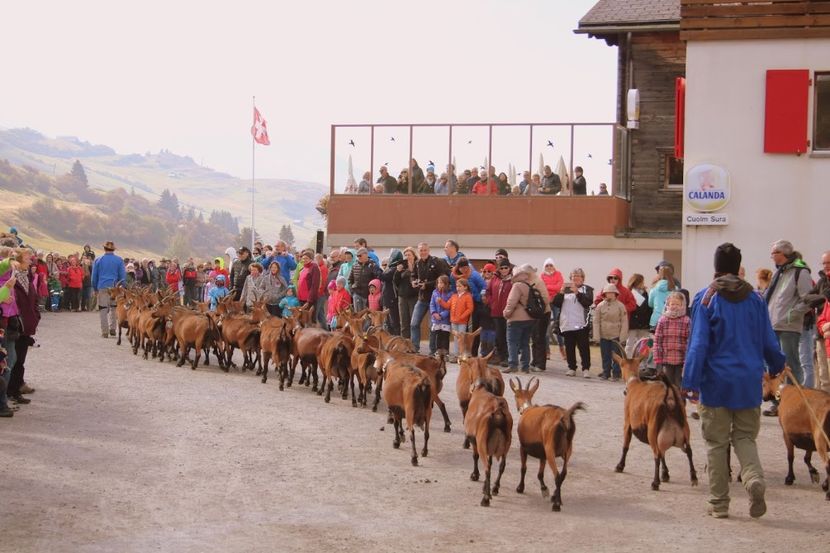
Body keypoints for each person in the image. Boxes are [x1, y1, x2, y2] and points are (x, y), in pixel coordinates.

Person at [682, 242, 785, 519]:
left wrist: (689, 381)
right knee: (744, 437)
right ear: (738, 266)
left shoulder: (706, 298)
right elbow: (769, 340)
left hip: (715, 384)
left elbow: (698, 344)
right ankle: (753, 479)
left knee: (716, 443)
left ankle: (719, 503)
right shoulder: (756, 299)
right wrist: (778, 365)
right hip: (748, 383)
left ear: (716, 267)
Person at [764, 240, 812, 416]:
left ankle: (795, 403)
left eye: (773, 253)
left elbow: (807, 299)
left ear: (782, 254)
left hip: (789, 326)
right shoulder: (781, 272)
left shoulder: (800, 271)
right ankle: (779, 403)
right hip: (774, 325)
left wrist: (792, 315)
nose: (772, 257)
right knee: (775, 366)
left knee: (791, 364)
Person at [409, 243, 450, 354]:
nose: (423, 252)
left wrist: (426, 285)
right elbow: (413, 275)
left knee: (432, 327)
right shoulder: (417, 263)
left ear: (429, 250)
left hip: (435, 299)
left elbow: (442, 278)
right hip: (421, 298)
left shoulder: (436, 262)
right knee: (414, 324)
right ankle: (414, 348)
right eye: (421, 250)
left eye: (425, 250)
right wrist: (413, 281)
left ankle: (432, 351)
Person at [553, 268, 594, 378]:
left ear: (582, 278)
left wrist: (577, 292)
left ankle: (586, 368)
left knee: (584, 347)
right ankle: (571, 368)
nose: (575, 278)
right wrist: (561, 292)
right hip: (567, 323)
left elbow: (587, 302)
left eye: (578, 276)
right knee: (569, 347)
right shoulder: (565, 290)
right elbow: (556, 303)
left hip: (581, 323)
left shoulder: (587, 289)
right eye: (573, 276)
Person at [503, 264, 539, 374]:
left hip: (516, 319)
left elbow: (511, 302)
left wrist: (506, 313)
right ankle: (525, 367)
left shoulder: (517, 286)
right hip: (529, 318)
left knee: (512, 342)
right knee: (525, 343)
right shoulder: (529, 285)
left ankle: (513, 364)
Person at [653, 291, 689, 388]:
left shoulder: (686, 320)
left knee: (679, 383)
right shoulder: (663, 320)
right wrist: (657, 357)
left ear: (683, 305)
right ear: (667, 305)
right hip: (666, 358)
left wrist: (688, 358)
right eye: (672, 304)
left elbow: (689, 340)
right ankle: (669, 401)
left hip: (681, 359)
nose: (674, 306)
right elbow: (657, 340)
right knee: (668, 383)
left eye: (678, 304)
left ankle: (679, 400)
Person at [593, 283, 628, 381]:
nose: (609, 295)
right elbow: (596, 321)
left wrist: (623, 337)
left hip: (615, 335)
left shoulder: (620, 306)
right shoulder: (600, 306)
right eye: (607, 293)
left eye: (612, 293)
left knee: (616, 356)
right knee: (605, 355)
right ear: (604, 294)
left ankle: (616, 374)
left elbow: (624, 322)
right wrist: (596, 336)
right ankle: (606, 372)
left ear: (616, 294)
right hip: (604, 334)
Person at [91, 241, 126, 338]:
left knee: (103, 309)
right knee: (114, 309)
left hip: (102, 286)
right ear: (113, 249)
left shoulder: (98, 260)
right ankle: (113, 328)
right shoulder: (119, 260)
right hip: (115, 287)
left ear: (104, 249)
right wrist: (122, 286)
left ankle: (105, 331)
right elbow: (123, 276)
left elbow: (94, 276)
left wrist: (95, 288)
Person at [439, 277, 473, 362]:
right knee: (455, 338)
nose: (458, 288)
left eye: (460, 286)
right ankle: (456, 355)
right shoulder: (454, 296)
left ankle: (461, 355)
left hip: (462, 322)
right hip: (453, 321)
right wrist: (441, 302)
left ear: (465, 287)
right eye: (457, 286)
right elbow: (448, 305)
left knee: (461, 338)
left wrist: (462, 316)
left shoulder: (468, 296)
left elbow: (470, 309)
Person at [487, 258, 513, 367]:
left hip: (508, 313)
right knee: (499, 336)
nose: (503, 270)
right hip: (496, 312)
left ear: (509, 268)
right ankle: (502, 357)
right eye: (501, 268)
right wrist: (491, 302)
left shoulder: (513, 280)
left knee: (508, 336)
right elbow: (488, 291)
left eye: (505, 268)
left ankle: (509, 357)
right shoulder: (495, 278)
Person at [541, 259, 566, 361]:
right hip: (546, 302)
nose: (549, 267)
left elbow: (560, 286)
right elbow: (542, 287)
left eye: (551, 265)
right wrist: (553, 288)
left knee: (559, 325)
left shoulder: (558, 274)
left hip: (556, 302)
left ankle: (562, 349)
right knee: (546, 327)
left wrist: (549, 287)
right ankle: (547, 351)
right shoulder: (542, 276)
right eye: (547, 265)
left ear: (554, 266)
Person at [394, 247, 418, 340]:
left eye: (409, 255)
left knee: (413, 321)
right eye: (406, 255)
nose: (407, 257)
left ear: (414, 255)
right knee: (404, 321)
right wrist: (398, 272)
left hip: (414, 296)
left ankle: (413, 343)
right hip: (402, 296)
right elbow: (395, 281)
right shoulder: (402, 265)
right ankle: (404, 342)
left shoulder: (418, 264)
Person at [626, 273, 652, 357]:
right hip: (632, 323)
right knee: (630, 344)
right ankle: (629, 362)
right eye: (642, 282)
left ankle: (641, 364)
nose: (643, 283)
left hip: (643, 322)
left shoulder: (645, 293)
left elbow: (647, 307)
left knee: (643, 345)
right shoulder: (629, 292)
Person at [349, 248, 380, 312]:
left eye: (360, 255)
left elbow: (377, 280)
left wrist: (373, 293)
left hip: (368, 294)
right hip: (357, 294)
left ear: (366, 254)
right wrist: (352, 291)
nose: (358, 257)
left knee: (367, 315)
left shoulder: (373, 265)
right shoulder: (355, 265)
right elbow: (350, 279)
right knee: (358, 315)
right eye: (357, 256)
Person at [429, 275, 452, 356]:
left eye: (441, 283)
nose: (440, 284)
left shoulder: (449, 294)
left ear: (446, 284)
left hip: (445, 319)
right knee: (438, 335)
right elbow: (432, 304)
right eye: (438, 282)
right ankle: (438, 350)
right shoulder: (434, 292)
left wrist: (442, 315)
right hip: (436, 319)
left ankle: (445, 351)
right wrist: (434, 313)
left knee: (445, 335)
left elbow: (449, 308)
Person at [380, 252, 401, 335]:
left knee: (394, 322)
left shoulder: (393, 269)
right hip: (386, 299)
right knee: (387, 322)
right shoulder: (390, 269)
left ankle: (396, 340)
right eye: (383, 265)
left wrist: (376, 268)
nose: (384, 266)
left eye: (385, 264)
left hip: (392, 299)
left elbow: (383, 277)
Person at [478, 263, 497, 356]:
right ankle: (483, 353)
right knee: (483, 335)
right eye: (485, 271)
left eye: (489, 271)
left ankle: (491, 354)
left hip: (492, 310)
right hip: (482, 311)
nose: (487, 273)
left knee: (491, 335)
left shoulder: (495, 282)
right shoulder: (481, 281)